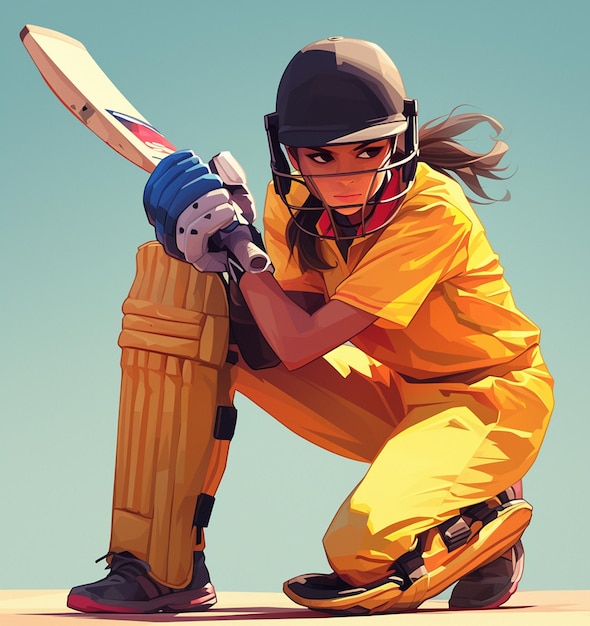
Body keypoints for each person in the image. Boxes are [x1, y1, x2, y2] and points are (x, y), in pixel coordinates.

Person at [67, 36, 554, 615]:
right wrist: (212, 253)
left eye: (367, 151)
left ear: (398, 139)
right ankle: (160, 564)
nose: (344, 178)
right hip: (393, 394)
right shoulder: (290, 199)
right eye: (321, 157)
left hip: (489, 399)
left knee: (360, 550)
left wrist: (244, 253)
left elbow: (299, 346)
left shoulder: (432, 212)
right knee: (192, 310)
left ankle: (482, 511)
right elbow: (280, 325)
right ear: (290, 151)